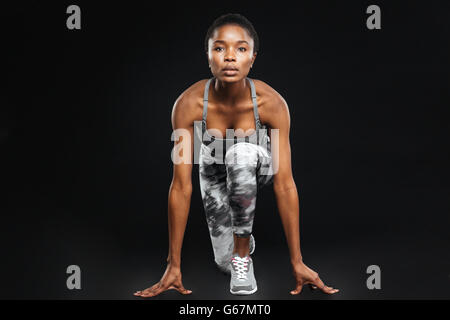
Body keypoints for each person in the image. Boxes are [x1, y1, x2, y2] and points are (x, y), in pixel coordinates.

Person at [134, 13, 339, 297]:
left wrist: (298, 261)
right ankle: (237, 248)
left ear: (252, 57)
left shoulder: (272, 104)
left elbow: (285, 183)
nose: (230, 57)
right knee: (222, 261)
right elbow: (181, 185)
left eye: (240, 49)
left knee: (239, 156)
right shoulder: (188, 105)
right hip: (214, 166)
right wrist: (173, 264)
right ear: (208, 56)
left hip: (258, 163)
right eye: (220, 48)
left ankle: (243, 257)